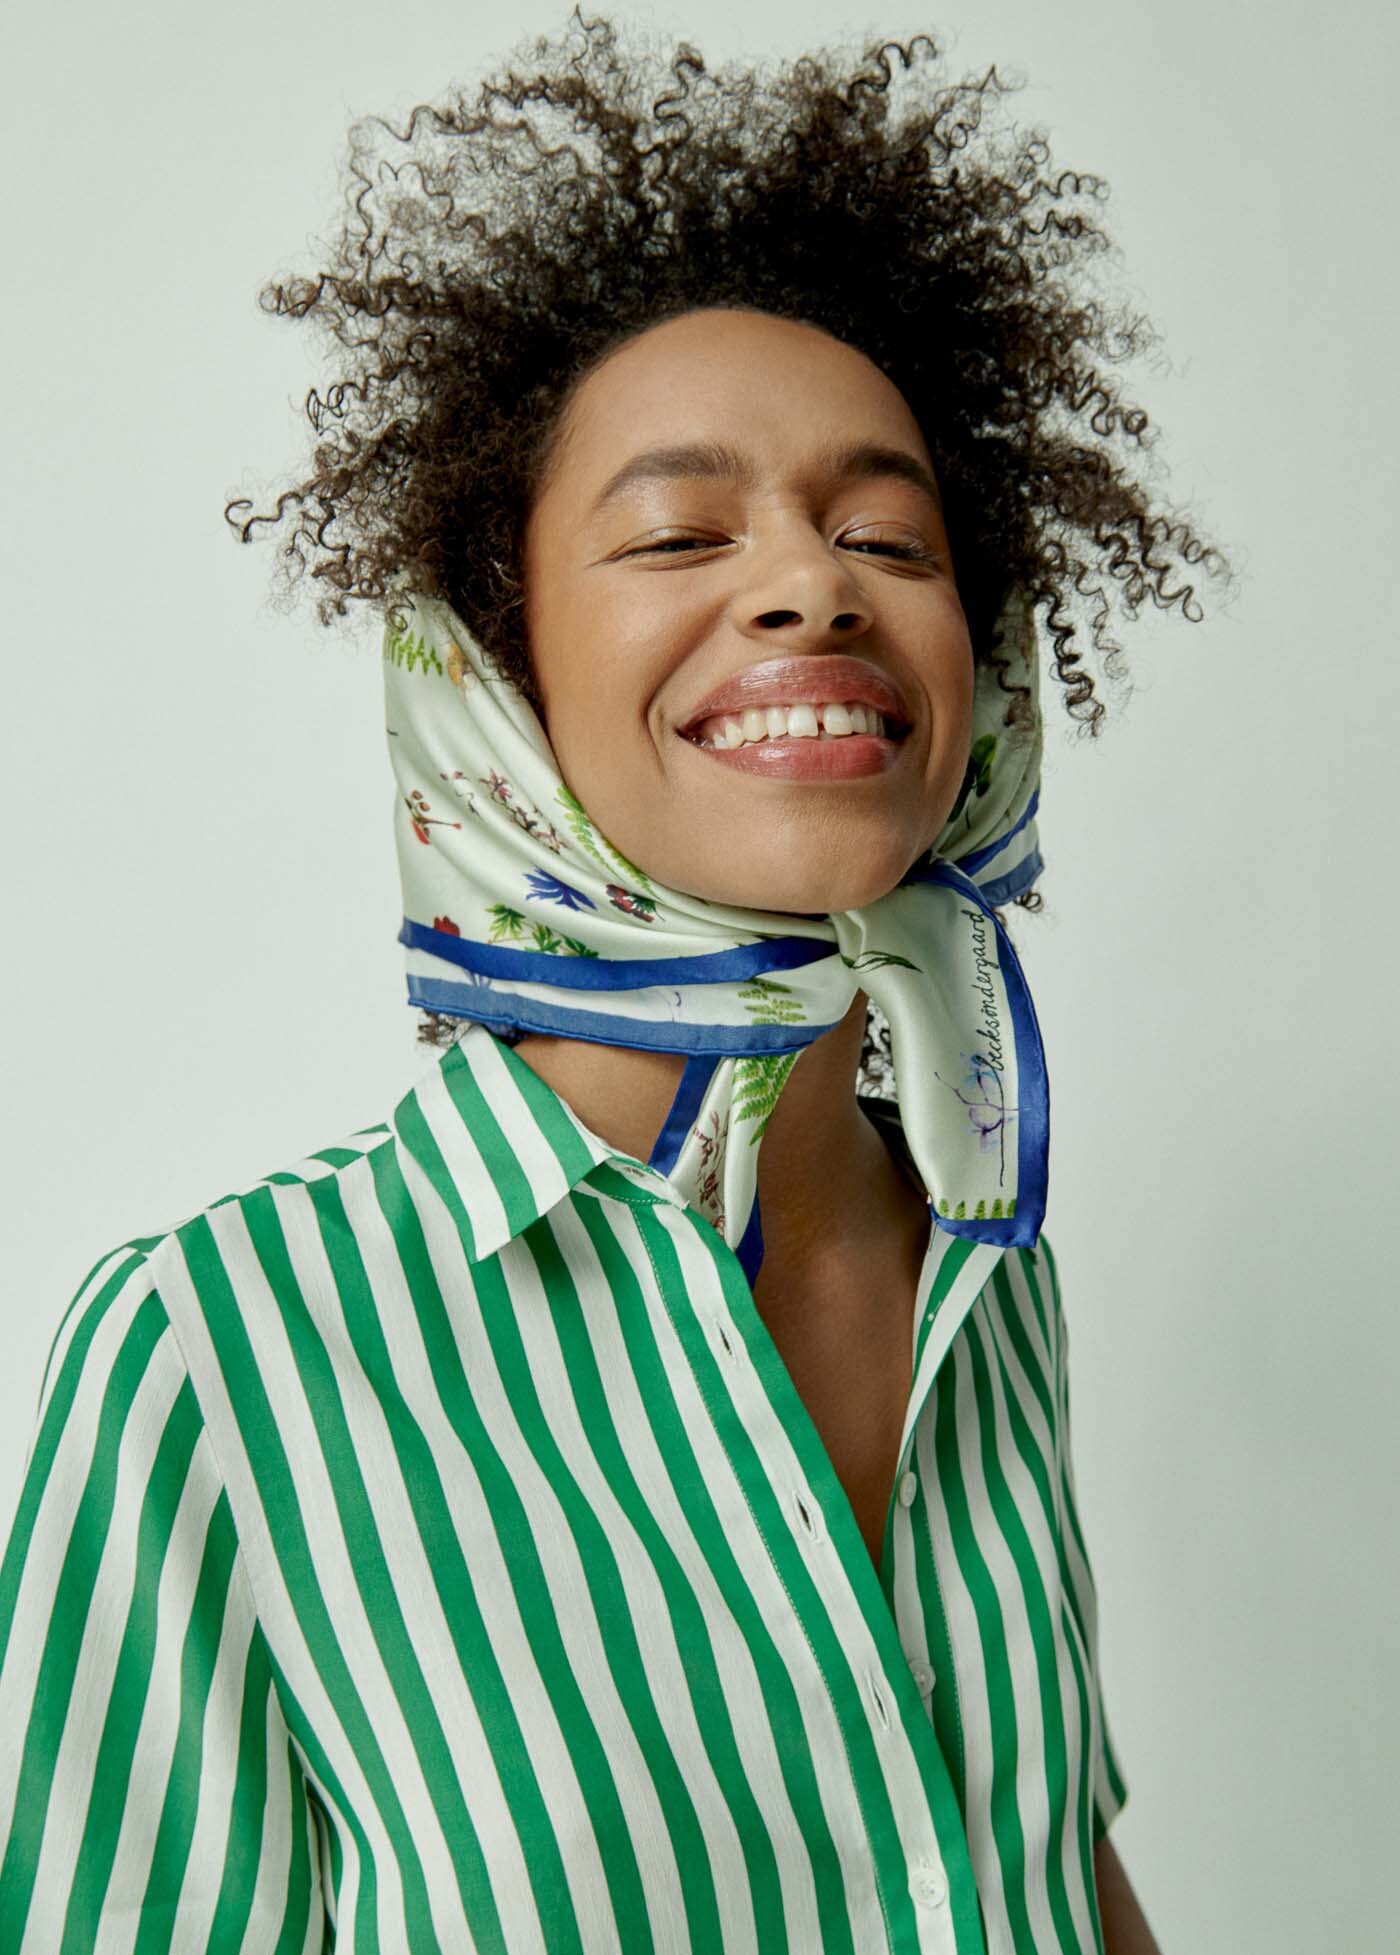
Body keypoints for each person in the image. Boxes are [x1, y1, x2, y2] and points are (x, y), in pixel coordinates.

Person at [0, 14, 1230, 1951]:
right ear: (495, 675)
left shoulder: (992, 1269)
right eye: (675, 532)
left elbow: (1044, 1872)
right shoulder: (216, 1354)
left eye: (886, 535)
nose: (811, 584)